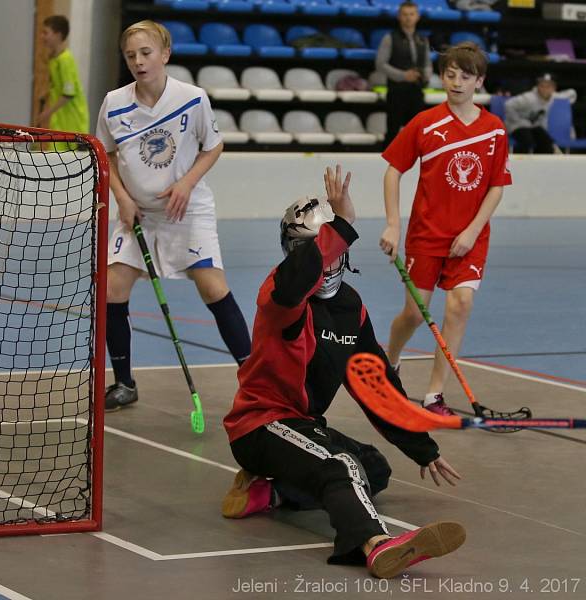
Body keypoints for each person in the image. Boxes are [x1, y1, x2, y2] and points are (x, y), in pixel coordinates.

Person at [222, 165, 465, 580]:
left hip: (303, 425)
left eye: (327, 246)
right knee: (340, 464)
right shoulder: (281, 296)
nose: (324, 259)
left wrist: (422, 446)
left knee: (374, 468)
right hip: (260, 426)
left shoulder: (352, 307)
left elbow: (376, 385)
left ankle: (269, 491)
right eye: (309, 248)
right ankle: (374, 545)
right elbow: (300, 276)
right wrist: (344, 222)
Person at [95, 20, 251, 410]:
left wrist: (186, 183)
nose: (138, 61)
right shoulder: (114, 102)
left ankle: (255, 381)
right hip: (138, 213)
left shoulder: (192, 98)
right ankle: (125, 383)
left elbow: (213, 147)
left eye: (146, 53)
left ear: (165, 54)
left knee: (213, 288)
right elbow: (107, 155)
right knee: (113, 290)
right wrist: (123, 199)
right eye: (131, 55)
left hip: (187, 209)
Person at [379, 42, 512, 416]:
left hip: (470, 237)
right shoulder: (425, 123)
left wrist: (471, 231)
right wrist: (393, 223)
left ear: (479, 81)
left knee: (460, 303)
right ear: (442, 77)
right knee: (415, 313)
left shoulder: (494, 131)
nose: (456, 82)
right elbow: (393, 171)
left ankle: (435, 394)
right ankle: (389, 362)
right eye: (450, 74)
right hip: (426, 234)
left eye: (465, 76)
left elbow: (497, 186)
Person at [375, 1, 432, 148]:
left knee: (417, 132)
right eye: (405, 14)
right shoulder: (390, 38)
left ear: (417, 16)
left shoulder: (423, 40)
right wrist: (402, 75)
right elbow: (380, 64)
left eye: (411, 14)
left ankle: (416, 164)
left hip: (416, 90)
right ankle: (386, 165)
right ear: (399, 17)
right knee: (392, 132)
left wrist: (425, 75)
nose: (408, 18)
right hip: (396, 91)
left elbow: (427, 63)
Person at [36, 15, 89, 141]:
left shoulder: (65, 60)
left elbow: (68, 94)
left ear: (58, 35)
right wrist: (47, 92)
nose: (42, 37)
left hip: (73, 121)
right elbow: (58, 85)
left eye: (45, 33)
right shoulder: (53, 59)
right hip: (60, 121)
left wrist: (46, 113)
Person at [504, 73, 559, 154]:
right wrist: (517, 121)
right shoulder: (528, 98)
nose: (544, 89)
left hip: (532, 126)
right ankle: (520, 163)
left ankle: (540, 164)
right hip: (516, 125)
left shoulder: (551, 99)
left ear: (554, 88)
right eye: (542, 86)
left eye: (548, 87)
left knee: (547, 142)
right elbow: (508, 105)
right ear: (538, 86)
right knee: (527, 141)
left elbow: (543, 116)